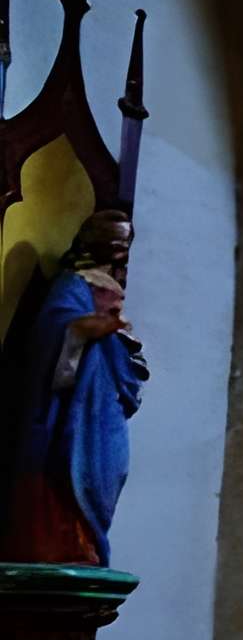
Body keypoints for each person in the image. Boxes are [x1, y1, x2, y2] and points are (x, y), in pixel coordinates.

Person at [2, 210, 145, 566]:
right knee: (60, 476)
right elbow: (52, 335)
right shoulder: (72, 284)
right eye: (115, 243)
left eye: (125, 244)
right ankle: (58, 548)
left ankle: (84, 546)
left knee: (101, 471)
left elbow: (125, 360)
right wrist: (87, 328)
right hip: (62, 415)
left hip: (100, 410)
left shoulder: (107, 287)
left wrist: (123, 344)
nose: (121, 252)